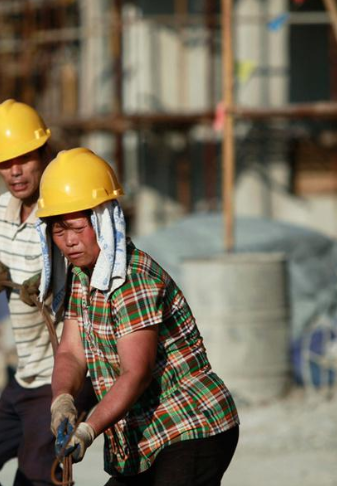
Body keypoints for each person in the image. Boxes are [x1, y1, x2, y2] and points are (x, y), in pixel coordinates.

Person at [34, 148, 240, 486]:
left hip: (189, 426)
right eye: (58, 231)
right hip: (144, 438)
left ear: (101, 221)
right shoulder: (82, 279)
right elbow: (71, 351)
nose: (68, 241)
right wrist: (63, 400)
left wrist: (87, 430)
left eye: (76, 228)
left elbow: (136, 372)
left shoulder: (132, 279)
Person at [0, 100, 96, 486]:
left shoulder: (62, 205)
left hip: (60, 379)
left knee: (35, 480)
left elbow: (92, 259)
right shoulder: (2, 211)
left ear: (43, 152)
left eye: (24, 158)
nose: (14, 171)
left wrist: (49, 280)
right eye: (4, 163)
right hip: (24, 378)